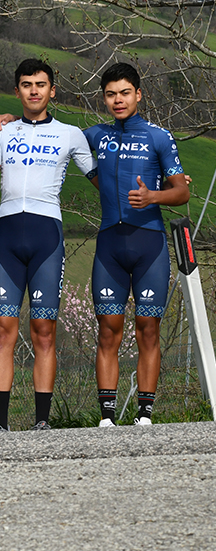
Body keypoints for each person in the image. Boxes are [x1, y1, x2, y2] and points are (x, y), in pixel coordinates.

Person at [0, 59, 98, 432]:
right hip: (8, 238)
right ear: (17, 91)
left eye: (40, 84)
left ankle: (42, 422)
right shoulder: (2, 133)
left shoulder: (70, 134)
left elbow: (102, 180)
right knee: (2, 330)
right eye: (26, 84)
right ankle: (0, 424)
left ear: (52, 91)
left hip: (47, 238)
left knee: (44, 330)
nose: (33, 90)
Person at [83, 63, 188, 426]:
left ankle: (145, 413)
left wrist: (153, 197)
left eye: (125, 93)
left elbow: (183, 191)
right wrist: (8, 117)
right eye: (111, 94)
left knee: (148, 328)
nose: (118, 100)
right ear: (104, 98)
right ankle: (107, 417)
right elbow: (49, 132)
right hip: (110, 243)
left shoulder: (159, 137)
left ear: (138, 95)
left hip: (150, 244)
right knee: (108, 329)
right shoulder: (95, 134)